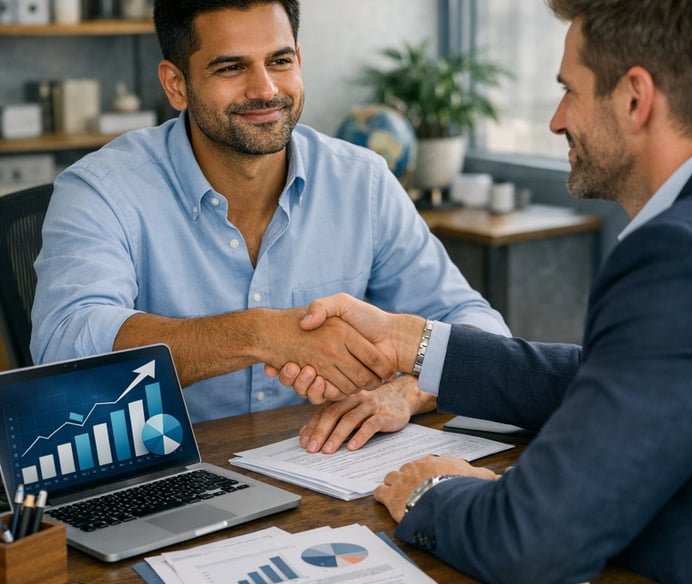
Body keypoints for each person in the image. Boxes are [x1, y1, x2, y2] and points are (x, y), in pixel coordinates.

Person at [272, 0, 692, 581]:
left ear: (635, 98)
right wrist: (415, 342)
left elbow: (533, 544)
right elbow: (607, 380)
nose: (558, 119)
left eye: (570, 91)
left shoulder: (686, 256)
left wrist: (433, 488)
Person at [30, 0, 510, 452]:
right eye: (231, 67)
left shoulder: (360, 180)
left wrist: (407, 393)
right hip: (166, 475)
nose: (265, 90)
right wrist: (260, 333)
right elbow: (64, 350)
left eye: (280, 61)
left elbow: (479, 329)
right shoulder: (101, 189)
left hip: (324, 468)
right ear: (176, 84)